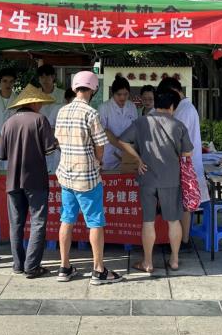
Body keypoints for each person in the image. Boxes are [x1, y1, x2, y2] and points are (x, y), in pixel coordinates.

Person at [55, 71, 122, 285]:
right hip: (87, 177)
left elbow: (58, 140)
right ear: (93, 89)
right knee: (95, 222)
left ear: (75, 88)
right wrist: (98, 161)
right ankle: (98, 270)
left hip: (66, 175)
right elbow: (100, 145)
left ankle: (64, 267)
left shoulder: (62, 111)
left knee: (67, 219)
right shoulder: (91, 113)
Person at [118, 90, 193, 272]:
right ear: (172, 106)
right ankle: (174, 260)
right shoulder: (178, 125)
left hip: (148, 177)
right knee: (173, 220)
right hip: (171, 179)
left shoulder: (142, 122)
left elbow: (122, 141)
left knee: (148, 221)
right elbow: (187, 152)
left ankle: (148, 263)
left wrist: (138, 159)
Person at [0, 84, 57, 278]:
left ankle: (18, 264)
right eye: (39, 102)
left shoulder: (8, 123)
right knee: (38, 222)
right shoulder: (40, 120)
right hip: (35, 179)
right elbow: (49, 149)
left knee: (16, 223)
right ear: (33, 102)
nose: (41, 105)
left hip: (12, 180)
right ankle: (32, 266)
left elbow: (3, 154)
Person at [157, 77, 209, 252]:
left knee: (184, 205)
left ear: (174, 91)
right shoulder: (183, 108)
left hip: (186, 165)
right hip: (183, 164)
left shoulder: (185, 110)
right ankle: (180, 240)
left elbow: (177, 138)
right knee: (182, 204)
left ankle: (183, 241)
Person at [98, 76, 139, 169]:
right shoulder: (104, 108)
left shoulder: (132, 106)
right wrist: (124, 147)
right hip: (109, 155)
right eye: (119, 94)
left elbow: (135, 128)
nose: (122, 97)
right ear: (113, 93)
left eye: (126, 94)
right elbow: (104, 131)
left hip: (128, 156)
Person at [37, 64, 65, 173]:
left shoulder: (62, 94)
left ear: (53, 77)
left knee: (58, 168)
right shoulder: (34, 95)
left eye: (47, 76)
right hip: (39, 135)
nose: (45, 80)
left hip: (58, 137)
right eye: (42, 77)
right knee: (40, 168)